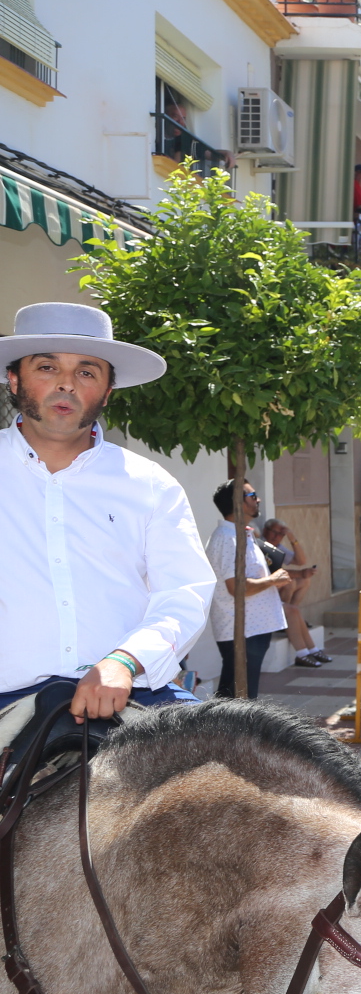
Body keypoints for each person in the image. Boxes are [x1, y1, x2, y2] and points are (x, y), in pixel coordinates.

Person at [0, 303, 213, 718]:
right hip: (6, 695)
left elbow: (184, 594)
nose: (67, 385)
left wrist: (125, 660)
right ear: (13, 379)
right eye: (46, 367)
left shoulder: (150, 483)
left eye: (86, 372)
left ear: (107, 391)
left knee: (232, 762)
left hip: (134, 691)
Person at [206, 479, 289, 698]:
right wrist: (272, 580)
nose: (258, 499)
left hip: (251, 628)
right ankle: (222, 733)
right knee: (238, 696)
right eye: (252, 496)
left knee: (237, 694)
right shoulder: (227, 539)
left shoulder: (240, 534)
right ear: (236, 503)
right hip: (242, 630)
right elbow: (236, 588)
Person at [259, 516, 328, 667]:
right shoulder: (261, 547)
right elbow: (276, 573)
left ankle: (312, 649)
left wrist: (292, 537)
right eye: (274, 533)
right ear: (265, 531)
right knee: (290, 591)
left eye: (281, 534)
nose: (277, 537)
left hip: (271, 592)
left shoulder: (276, 546)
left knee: (296, 603)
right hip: (262, 595)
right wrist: (300, 573)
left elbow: (301, 561)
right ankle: (302, 651)